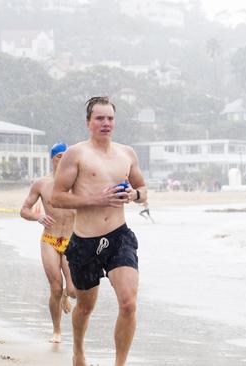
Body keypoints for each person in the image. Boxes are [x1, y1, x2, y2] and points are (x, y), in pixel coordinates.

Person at [50, 96, 146, 366]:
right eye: (100, 118)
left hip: (119, 237)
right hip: (84, 242)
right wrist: (95, 200)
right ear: (88, 122)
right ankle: (78, 352)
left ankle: (119, 364)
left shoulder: (127, 154)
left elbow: (144, 191)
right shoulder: (76, 154)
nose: (106, 123)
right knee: (85, 306)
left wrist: (134, 194)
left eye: (110, 118)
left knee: (128, 303)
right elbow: (57, 197)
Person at [20, 142, 77, 343]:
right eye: (58, 156)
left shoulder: (77, 184)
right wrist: (38, 217)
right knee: (55, 287)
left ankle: (65, 296)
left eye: (66, 156)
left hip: (71, 241)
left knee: (73, 290)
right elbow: (24, 210)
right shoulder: (41, 184)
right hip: (50, 240)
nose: (62, 159)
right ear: (52, 159)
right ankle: (56, 330)